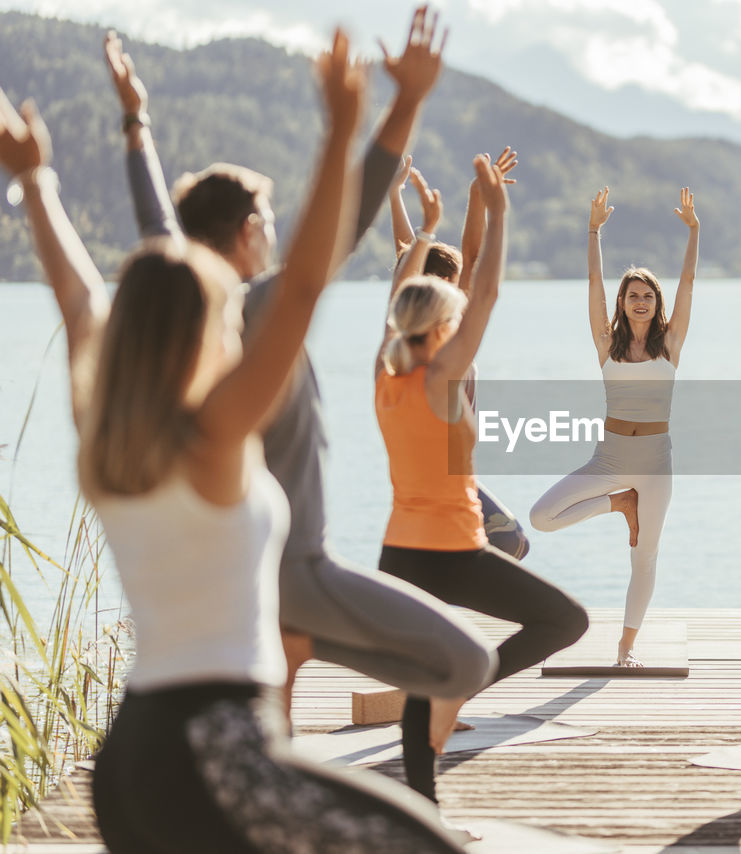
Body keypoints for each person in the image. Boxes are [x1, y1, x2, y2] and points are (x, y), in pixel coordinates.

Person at [2, 32, 468, 852]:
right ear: (196, 336)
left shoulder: (105, 434)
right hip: (218, 747)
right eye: (222, 317)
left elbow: (78, 299)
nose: (235, 324)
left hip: (134, 755)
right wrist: (348, 123)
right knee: (424, 845)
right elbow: (309, 283)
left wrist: (36, 181)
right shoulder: (214, 437)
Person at [104, 8, 496, 729]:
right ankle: (310, 651)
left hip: (235, 574)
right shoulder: (257, 308)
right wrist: (401, 106)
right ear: (251, 232)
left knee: (271, 738)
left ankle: (288, 684)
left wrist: (137, 124)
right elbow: (342, 229)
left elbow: (156, 222)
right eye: (271, 219)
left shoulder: (179, 306)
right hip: (297, 567)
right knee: (467, 663)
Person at [375, 154, 589, 803]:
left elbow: (409, 290)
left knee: (420, 689)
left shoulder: (383, 374)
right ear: (442, 325)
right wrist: (497, 211)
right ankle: (460, 685)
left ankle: (422, 808)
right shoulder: (442, 380)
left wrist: (422, 231)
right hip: (453, 550)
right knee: (564, 621)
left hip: (400, 552)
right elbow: (486, 291)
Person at [528, 186, 699, 667]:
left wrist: (694, 231)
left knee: (644, 558)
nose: (639, 302)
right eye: (631, 296)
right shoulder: (606, 343)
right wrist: (593, 231)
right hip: (609, 458)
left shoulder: (671, 345)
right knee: (541, 517)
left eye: (647, 296)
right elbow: (591, 282)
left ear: (656, 302)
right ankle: (616, 503)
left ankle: (626, 647)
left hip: (655, 463)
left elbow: (688, 282)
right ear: (621, 303)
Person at [389, 152, 529, 559]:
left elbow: (405, 259)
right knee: (510, 541)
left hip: (436, 471)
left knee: (494, 543)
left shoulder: (407, 334)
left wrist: (397, 196)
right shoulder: (444, 343)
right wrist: (482, 200)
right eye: (453, 282)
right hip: (439, 475)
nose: (459, 289)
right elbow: (470, 254)